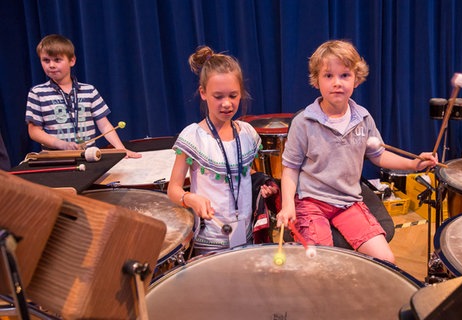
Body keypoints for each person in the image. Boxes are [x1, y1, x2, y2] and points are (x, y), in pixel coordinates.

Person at [277, 40, 438, 264]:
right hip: (311, 202)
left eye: (344, 75)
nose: (337, 83)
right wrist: (288, 205)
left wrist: (414, 164)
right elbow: (290, 169)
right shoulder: (304, 122)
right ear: (316, 80)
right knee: (320, 265)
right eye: (328, 76)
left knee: (386, 260)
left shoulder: (362, 117)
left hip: (348, 201)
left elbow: (378, 155)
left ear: (356, 78)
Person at [167, 46, 278, 256]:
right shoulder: (193, 137)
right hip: (209, 240)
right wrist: (190, 198)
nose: (227, 103)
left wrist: (263, 185)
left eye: (233, 95)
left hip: (245, 234)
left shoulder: (247, 133)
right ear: (203, 93)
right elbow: (173, 189)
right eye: (218, 96)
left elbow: (244, 174)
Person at [25, 34, 140, 158]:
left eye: (57, 60)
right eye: (46, 60)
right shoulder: (37, 92)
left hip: (89, 156)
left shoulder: (89, 90)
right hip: (55, 158)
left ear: (72, 60)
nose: (51, 65)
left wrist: (121, 150)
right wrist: (61, 144)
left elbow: (105, 125)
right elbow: (34, 131)